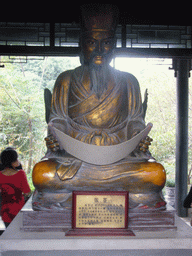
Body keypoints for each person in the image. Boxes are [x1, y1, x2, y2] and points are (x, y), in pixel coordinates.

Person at [32, 4, 166, 211]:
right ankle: (126, 195)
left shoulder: (129, 82)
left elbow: (134, 123)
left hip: (119, 159)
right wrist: (55, 138)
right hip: (75, 160)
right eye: (91, 42)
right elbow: (58, 121)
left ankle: (67, 196)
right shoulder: (66, 80)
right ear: (82, 44)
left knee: (155, 174)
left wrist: (140, 137)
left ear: (113, 46)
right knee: (43, 174)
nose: (99, 49)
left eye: (106, 43)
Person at [0, 148, 31, 228]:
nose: (18, 160)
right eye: (16, 158)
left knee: (9, 235)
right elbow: (27, 191)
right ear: (12, 161)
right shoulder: (21, 174)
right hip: (18, 210)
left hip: (5, 212)